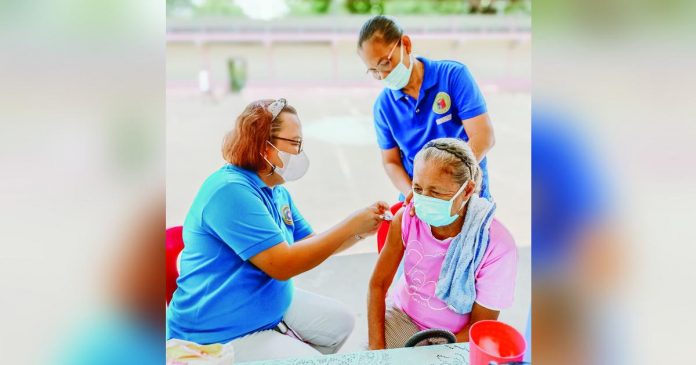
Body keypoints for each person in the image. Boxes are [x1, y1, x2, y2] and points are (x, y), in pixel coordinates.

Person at [166, 98, 389, 362]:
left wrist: (361, 230)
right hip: (221, 330)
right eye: (294, 143)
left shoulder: (275, 189)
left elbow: (311, 244)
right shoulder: (230, 191)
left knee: (340, 323)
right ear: (263, 145)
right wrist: (352, 224)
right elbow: (283, 264)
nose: (300, 153)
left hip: (265, 303)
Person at [367, 138, 517, 349]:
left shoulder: (496, 245)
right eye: (418, 189)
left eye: (436, 192)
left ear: (466, 191)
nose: (424, 199)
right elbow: (378, 284)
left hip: (458, 337)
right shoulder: (407, 217)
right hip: (403, 318)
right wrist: (377, 349)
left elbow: (480, 324)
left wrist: (429, 356)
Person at [357, 15, 495, 201]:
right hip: (421, 196)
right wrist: (412, 193)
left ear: (405, 44)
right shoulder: (384, 107)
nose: (382, 75)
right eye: (373, 71)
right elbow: (391, 162)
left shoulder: (452, 76)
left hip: (464, 189)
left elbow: (483, 137)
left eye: (385, 63)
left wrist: (450, 181)